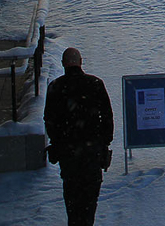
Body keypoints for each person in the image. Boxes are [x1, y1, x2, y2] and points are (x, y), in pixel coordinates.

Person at [45, 47, 114, 226]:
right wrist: (104, 142)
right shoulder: (95, 84)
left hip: (68, 156)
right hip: (92, 154)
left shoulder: (55, 87)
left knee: (72, 200)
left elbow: (50, 120)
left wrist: (57, 142)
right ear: (81, 62)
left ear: (63, 64)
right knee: (89, 202)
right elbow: (107, 116)